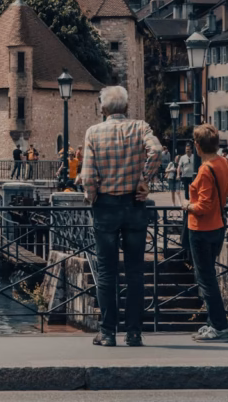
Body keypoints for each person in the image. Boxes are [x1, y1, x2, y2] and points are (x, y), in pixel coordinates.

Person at [80, 85, 162, 348]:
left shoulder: (93, 132)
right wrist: (143, 180)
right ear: (127, 107)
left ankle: (107, 333)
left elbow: (89, 175)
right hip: (134, 204)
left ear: (103, 108)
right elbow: (157, 151)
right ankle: (134, 333)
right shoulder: (140, 127)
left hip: (105, 206)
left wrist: (91, 197)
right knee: (135, 272)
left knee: (106, 272)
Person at [183, 123, 228, 342]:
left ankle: (219, 327)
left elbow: (203, 207)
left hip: (202, 229)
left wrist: (187, 206)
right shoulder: (223, 163)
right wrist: (224, 196)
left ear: (198, 147)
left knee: (206, 279)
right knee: (208, 276)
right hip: (218, 227)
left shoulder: (205, 169)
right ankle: (212, 324)